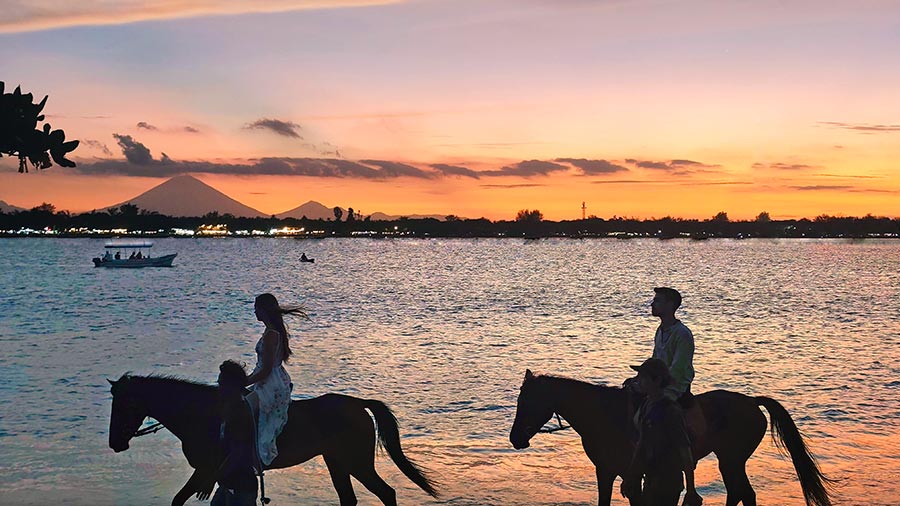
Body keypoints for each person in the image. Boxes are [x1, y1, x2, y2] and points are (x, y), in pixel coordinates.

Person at [621, 358, 695, 505]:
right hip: (650, 480)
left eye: (644, 378)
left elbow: (685, 452)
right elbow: (641, 445)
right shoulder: (646, 405)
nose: (639, 381)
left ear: (657, 380)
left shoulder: (671, 411)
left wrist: (691, 490)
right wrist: (630, 476)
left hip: (668, 483)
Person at [246, 293, 307, 467]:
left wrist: (244, 381)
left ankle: (254, 453)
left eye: (256, 307)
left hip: (270, 383)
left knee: (246, 409)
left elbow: (265, 370)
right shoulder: (271, 331)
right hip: (269, 379)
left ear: (264, 310)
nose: (254, 311)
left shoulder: (272, 334)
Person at [204, 360, 258, 506]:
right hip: (229, 484)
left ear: (232, 386)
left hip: (241, 486)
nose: (219, 388)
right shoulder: (231, 410)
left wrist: (212, 479)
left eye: (222, 384)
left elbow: (238, 453)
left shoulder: (240, 413)